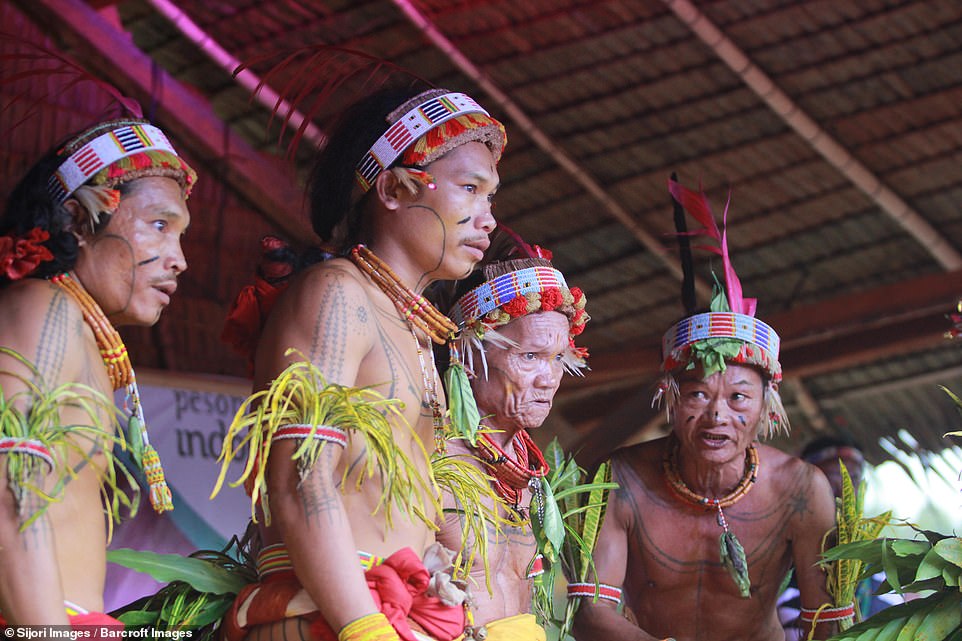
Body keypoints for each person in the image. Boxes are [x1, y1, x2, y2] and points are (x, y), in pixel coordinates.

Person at [214, 85, 506, 641]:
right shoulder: (337, 295)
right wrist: (363, 626)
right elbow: (300, 477)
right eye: (471, 189)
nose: (487, 218)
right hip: (326, 615)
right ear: (393, 189)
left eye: (491, 197)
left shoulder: (415, 330)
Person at [572, 179, 841, 641]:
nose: (718, 415)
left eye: (738, 398)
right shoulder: (623, 479)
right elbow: (591, 614)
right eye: (697, 394)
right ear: (670, 399)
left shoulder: (801, 490)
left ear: (766, 407)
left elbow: (828, 622)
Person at [0, 118, 195, 625]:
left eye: (180, 235)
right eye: (160, 225)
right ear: (77, 221)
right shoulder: (43, 306)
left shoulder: (77, 327)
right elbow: (8, 487)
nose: (179, 260)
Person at [434, 237, 589, 640]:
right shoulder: (431, 455)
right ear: (468, 358)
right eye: (530, 357)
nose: (548, 379)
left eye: (558, 359)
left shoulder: (528, 472)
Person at [778, 436, 900, 639]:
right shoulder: (777, 574)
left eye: (854, 477)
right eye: (831, 477)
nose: (845, 490)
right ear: (802, 486)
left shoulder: (886, 573)